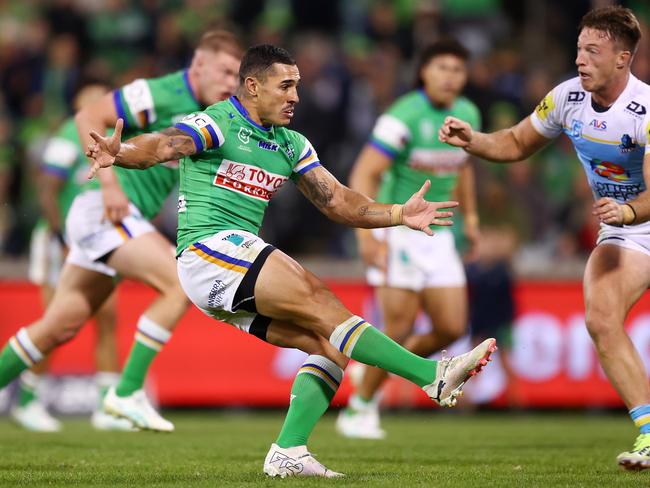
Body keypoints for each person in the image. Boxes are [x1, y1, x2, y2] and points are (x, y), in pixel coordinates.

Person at [85, 43, 497, 478]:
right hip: (209, 251)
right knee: (318, 296)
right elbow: (167, 144)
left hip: (226, 268)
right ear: (252, 86)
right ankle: (432, 375)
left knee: (328, 345)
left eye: (297, 86)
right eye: (285, 85)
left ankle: (289, 450)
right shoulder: (218, 123)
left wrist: (398, 214)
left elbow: (338, 201)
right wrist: (123, 154)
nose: (295, 96)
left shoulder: (290, 143)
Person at [438, 6, 650, 470]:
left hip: (637, 214)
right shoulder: (567, 98)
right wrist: (473, 139)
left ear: (622, 58)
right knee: (601, 318)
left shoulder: (646, 111)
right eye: (578, 49)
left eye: (593, 51)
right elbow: (515, 143)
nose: (580, 60)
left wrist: (631, 207)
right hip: (627, 232)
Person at [0, 30, 242, 432]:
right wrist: (109, 185)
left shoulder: (212, 115)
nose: (230, 83)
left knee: (60, 325)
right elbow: (86, 117)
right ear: (198, 65)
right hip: (103, 209)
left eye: (237, 75)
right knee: (179, 283)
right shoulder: (160, 93)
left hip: (121, 219)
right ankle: (126, 394)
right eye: (225, 71)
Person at [336, 38, 480, 440]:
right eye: (442, 68)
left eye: (458, 70)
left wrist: (470, 217)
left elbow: (464, 167)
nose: (450, 77)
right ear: (424, 72)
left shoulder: (467, 113)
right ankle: (361, 408)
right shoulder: (401, 117)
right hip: (400, 231)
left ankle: (380, 365)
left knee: (451, 327)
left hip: (441, 236)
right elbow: (364, 172)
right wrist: (367, 235)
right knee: (397, 326)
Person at [15, 83, 132, 432]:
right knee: (56, 323)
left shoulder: (113, 139)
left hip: (94, 241)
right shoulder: (69, 134)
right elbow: (47, 189)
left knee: (108, 317)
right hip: (62, 240)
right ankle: (26, 400)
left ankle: (107, 406)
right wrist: (62, 237)